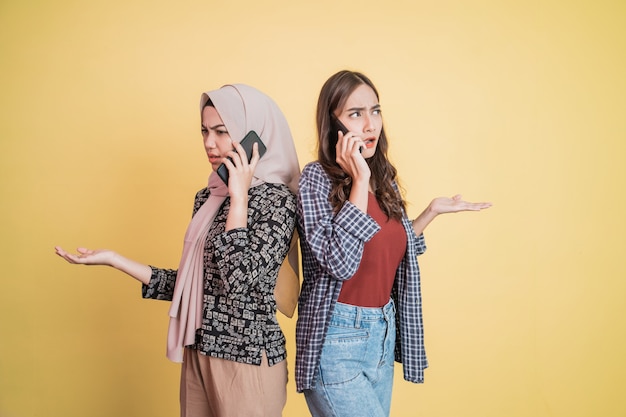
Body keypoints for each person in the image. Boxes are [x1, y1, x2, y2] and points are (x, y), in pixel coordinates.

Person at [55, 84, 301, 417]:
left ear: (251, 136)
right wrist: (115, 260)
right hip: (197, 350)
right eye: (204, 131)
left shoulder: (276, 201)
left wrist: (240, 198)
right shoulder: (208, 197)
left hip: (246, 359)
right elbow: (192, 285)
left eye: (221, 132)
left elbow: (238, 280)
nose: (209, 143)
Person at [294, 70, 492, 417]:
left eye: (375, 110)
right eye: (355, 114)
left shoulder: (383, 179)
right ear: (333, 123)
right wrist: (359, 179)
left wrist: (430, 212)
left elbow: (390, 254)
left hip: (382, 334)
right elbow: (340, 263)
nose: (371, 125)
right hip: (336, 338)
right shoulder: (315, 179)